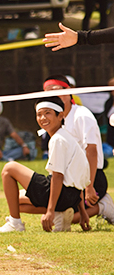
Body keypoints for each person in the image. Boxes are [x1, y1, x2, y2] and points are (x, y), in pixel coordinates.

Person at [0, 97, 91, 233]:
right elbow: (75, 178)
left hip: (63, 194)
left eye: (48, 113)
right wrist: (82, 211)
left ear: (60, 115)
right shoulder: (66, 136)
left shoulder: (58, 139)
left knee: (9, 168)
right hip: (71, 198)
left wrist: (49, 211)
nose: (43, 118)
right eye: (39, 114)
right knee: (15, 201)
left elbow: (58, 177)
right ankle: (59, 214)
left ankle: (15, 224)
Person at [42, 75, 114, 225]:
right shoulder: (55, 118)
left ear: (69, 91)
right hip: (69, 179)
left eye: (56, 90)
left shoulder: (82, 115)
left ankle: (103, 206)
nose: (53, 95)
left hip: (91, 178)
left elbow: (92, 151)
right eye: (47, 92)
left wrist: (89, 186)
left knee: (71, 219)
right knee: (55, 214)